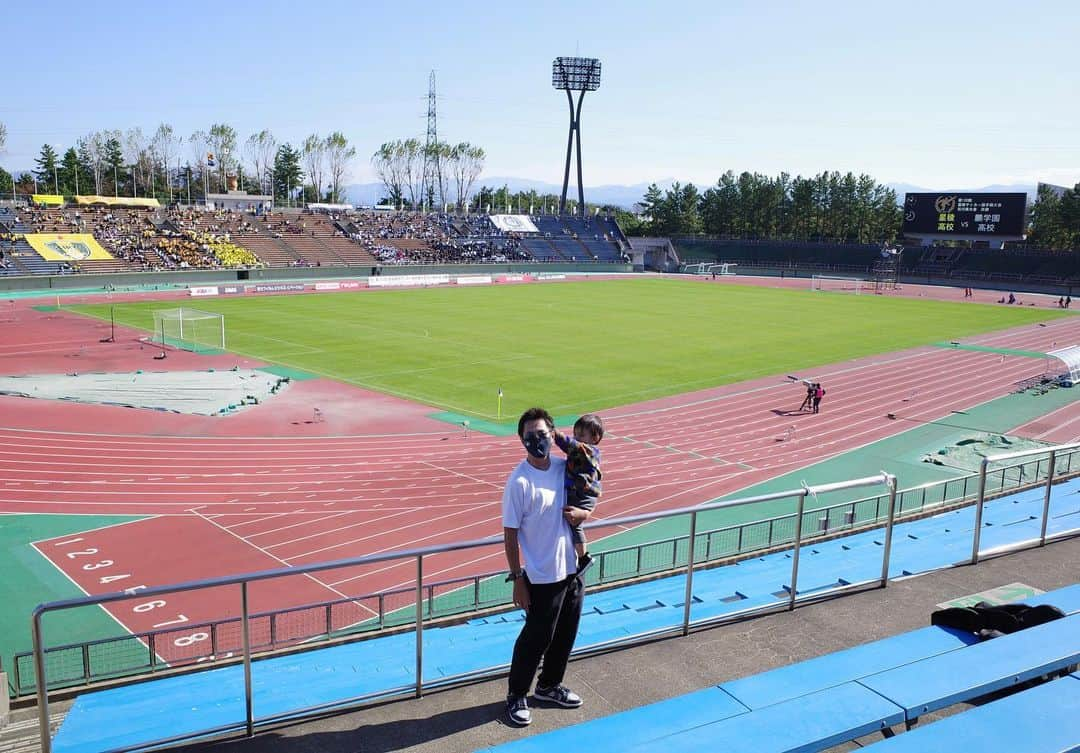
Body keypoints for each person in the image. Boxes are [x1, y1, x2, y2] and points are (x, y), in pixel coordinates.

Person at [503, 407, 587, 727]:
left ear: (553, 434)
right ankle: (516, 695)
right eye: (530, 437)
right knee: (535, 638)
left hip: (572, 569)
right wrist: (518, 578)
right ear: (522, 441)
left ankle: (549, 686)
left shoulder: (565, 468)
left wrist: (585, 517)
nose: (537, 441)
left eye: (542, 434)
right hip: (540, 576)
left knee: (566, 634)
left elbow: (589, 491)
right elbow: (510, 534)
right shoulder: (519, 482)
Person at [553, 414, 605, 573]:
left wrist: (555, 434)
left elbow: (571, 445)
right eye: (575, 434)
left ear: (595, 438)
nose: (576, 438)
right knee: (572, 523)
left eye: (581, 435)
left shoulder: (588, 451)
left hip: (584, 496)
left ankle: (584, 557)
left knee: (575, 525)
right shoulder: (585, 451)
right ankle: (580, 556)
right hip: (581, 493)